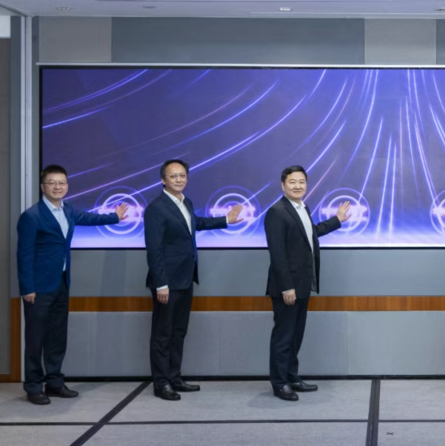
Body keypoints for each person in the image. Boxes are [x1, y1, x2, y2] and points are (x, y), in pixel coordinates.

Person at [17, 164, 128, 405]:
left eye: (62, 183)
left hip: (61, 284)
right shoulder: (31, 216)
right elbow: (23, 255)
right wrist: (27, 288)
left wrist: (115, 217)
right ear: (43, 187)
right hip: (38, 288)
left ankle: (55, 383)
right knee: (35, 339)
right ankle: (33, 387)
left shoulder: (68, 209)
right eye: (52, 183)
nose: (57, 187)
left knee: (57, 337)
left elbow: (88, 218)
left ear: (67, 186)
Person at [144, 159, 242, 401]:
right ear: (163, 180)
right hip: (167, 283)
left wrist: (225, 220)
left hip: (186, 278)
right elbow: (154, 249)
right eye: (173, 176)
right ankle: (161, 384)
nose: (179, 179)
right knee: (162, 335)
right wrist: (161, 283)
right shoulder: (156, 208)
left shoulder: (185, 202)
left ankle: (175, 377)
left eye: (182, 175)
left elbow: (195, 224)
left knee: (179, 332)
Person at [264, 165, 350, 402]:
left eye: (301, 182)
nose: (298, 186)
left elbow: (311, 233)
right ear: (283, 185)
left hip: (302, 285)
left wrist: (337, 220)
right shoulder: (276, 212)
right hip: (287, 288)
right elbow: (277, 254)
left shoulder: (302, 208)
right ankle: (280, 384)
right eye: (292, 182)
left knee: (295, 336)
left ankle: (292, 377)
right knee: (283, 337)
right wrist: (286, 286)